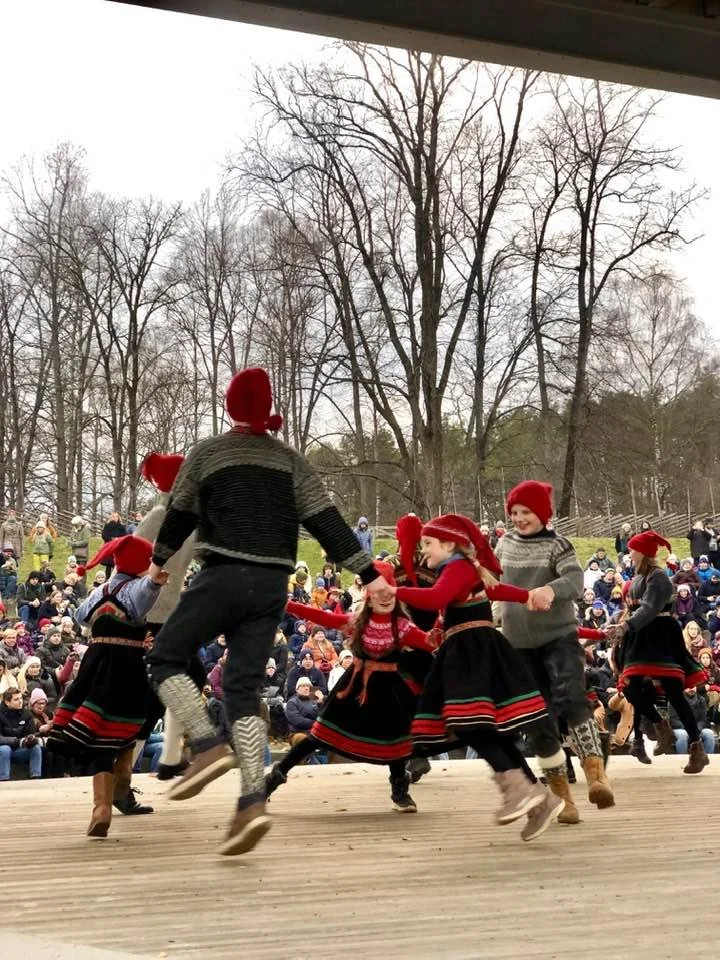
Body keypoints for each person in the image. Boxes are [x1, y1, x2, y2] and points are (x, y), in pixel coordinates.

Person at [145, 367, 388, 857]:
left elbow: (180, 512)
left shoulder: (208, 453)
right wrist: (368, 572)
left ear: (230, 405)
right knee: (243, 689)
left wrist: (158, 561)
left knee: (166, 657)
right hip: (272, 586)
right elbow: (327, 521)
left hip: (223, 576)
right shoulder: (289, 460)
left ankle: (207, 744)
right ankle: (252, 801)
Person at [394, 514, 565, 842]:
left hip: (471, 652)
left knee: (470, 725)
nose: (423, 550)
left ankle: (518, 790)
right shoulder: (462, 568)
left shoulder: (457, 567)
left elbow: (436, 598)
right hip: (470, 648)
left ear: (449, 544)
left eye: (428, 543)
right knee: (487, 729)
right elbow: (495, 589)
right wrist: (527, 596)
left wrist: (393, 588)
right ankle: (540, 799)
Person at [267, 563, 437, 813]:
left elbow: (429, 642)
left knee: (397, 744)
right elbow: (324, 618)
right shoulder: (357, 622)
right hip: (354, 688)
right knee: (318, 737)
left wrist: (447, 632)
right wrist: (288, 605)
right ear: (368, 595)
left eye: (389, 592)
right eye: (378, 592)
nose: (385, 597)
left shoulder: (402, 627)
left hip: (389, 691)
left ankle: (400, 791)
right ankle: (273, 778)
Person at [495, 480, 614, 823]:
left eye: (526, 512)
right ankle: (562, 798)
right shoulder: (504, 544)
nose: (519, 518)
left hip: (558, 638)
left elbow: (575, 581)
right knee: (538, 720)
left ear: (542, 514)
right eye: (514, 512)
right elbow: (493, 582)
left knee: (571, 697)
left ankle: (596, 775)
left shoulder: (558, 545)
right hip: (518, 646)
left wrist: (549, 589)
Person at [47, 535, 167, 838]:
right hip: (126, 667)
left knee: (98, 731)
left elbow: (81, 617)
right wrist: (155, 577)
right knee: (126, 725)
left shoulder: (99, 592)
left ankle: (101, 808)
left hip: (95, 665)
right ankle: (123, 778)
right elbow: (147, 590)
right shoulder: (137, 589)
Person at [609, 530, 709, 774]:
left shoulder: (659, 577)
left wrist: (625, 626)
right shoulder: (638, 577)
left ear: (643, 553)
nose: (629, 554)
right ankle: (660, 725)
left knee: (674, 693)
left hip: (661, 635)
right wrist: (621, 628)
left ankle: (697, 748)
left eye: (632, 550)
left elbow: (650, 608)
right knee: (631, 688)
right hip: (640, 636)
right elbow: (636, 610)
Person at [0, 687, 42, 780]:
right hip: (3, 750)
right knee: (5, 749)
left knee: (36, 748)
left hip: (19, 750)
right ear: (7, 702)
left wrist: (31, 739)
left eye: (21, 698)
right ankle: (3, 780)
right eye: (16, 699)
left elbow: (31, 733)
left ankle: (36, 779)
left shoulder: (27, 714)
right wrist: (17, 741)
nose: (20, 701)